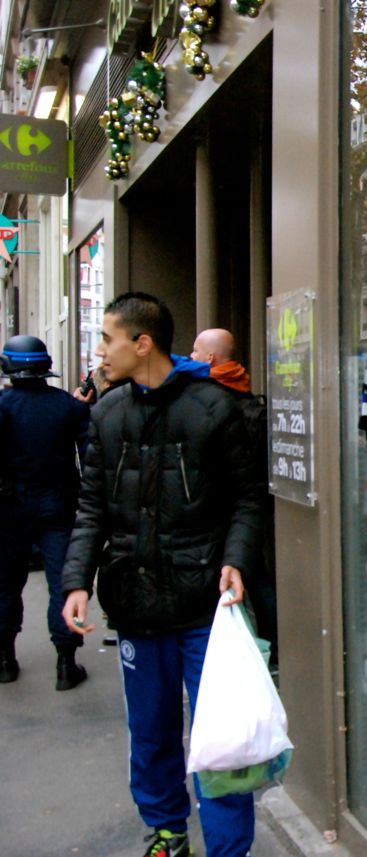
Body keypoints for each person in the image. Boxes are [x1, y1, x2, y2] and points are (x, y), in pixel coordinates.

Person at [60, 292, 265, 857]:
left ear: (141, 343)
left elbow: (249, 499)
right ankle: (168, 830)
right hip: (135, 603)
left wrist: (236, 559)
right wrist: (76, 581)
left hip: (205, 603)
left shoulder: (213, 408)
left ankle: (229, 850)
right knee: (150, 734)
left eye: (107, 339)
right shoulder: (104, 414)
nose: (101, 351)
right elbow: (91, 508)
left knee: (219, 741)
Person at [0, 335, 91, 688]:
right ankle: (66, 664)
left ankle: (5, 660)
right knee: (63, 584)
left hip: (8, 509)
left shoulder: (4, 405)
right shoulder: (69, 406)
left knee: (6, 585)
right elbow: (90, 460)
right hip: (58, 506)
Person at [191, 327, 277, 668]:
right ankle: (272, 644)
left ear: (211, 358)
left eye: (196, 351)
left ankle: (230, 652)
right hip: (249, 503)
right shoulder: (247, 393)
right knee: (254, 575)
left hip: (218, 505)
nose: (192, 356)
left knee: (233, 576)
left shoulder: (206, 400)